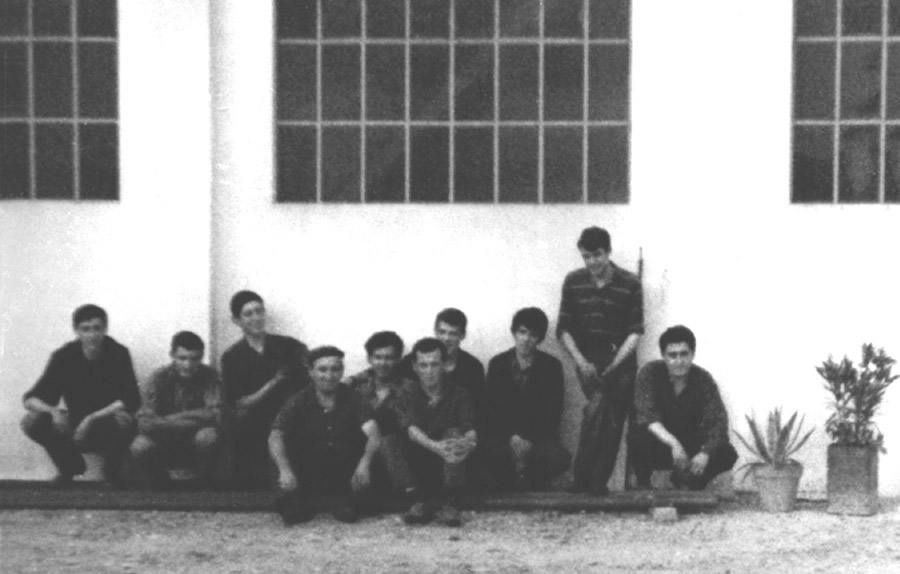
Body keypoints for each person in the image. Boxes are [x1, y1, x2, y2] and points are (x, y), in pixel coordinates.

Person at [557, 226, 643, 495]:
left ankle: (591, 481)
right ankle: (587, 478)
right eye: (586, 256)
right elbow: (563, 329)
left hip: (622, 360)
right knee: (598, 409)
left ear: (608, 252)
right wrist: (582, 362)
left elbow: (635, 332)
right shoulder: (573, 281)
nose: (592, 261)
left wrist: (615, 365)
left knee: (611, 417)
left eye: (597, 255)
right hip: (588, 360)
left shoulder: (630, 282)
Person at [20, 304, 140, 485]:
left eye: (97, 328)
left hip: (106, 421)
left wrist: (91, 419)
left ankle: (113, 470)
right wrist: (54, 412)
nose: (92, 335)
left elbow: (131, 398)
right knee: (31, 421)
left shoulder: (118, 353)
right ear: (76, 331)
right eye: (85, 329)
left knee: (125, 420)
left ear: (105, 329)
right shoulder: (64, 356)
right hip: (74, 422)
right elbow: (31, 398)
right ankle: (69, 466)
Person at [269, 346, 381, 525]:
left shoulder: (354, 398)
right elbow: (276, 435)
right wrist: (285, 470)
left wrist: (364, 463)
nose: (329, 376)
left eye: (335, 369)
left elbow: (373, 433)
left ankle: (349, 505)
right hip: (310, 464)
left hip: (342, 463)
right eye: (322, 369)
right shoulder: (298, 400)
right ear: (311, 372)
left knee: (370, 469)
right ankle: (296, 506)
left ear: (342, 371)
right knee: (282, 468)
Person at [630, 325, 738, 490]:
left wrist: (705, 453)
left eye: (684, 354)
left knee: (727, 452)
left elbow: (718, 423)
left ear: (693, 354)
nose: (679, 361)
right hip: (662, 443)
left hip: (689, 444)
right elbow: (648, 416)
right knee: (638, 437)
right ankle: (644, 485)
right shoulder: (649, 373)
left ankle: (691, 483)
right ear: (663, 356)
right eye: (672, 355)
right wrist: (674, 445)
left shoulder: (703, 379)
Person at [221, 290, 310, 489]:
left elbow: (308, 381)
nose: (256, 318)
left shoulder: (289, 346)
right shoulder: (233, 356)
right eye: (248, 314)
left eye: (259, 311)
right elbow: (239, 402)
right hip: (256, 419)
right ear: (236, 320)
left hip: (290, 414)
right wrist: (273, 383)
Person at [481, 308, 571, 490]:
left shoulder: (552, 367)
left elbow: (553, 413)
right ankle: (514, 481)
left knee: (559, 457)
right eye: (522, 332)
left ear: (540, 338)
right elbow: (491, 410)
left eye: (532, 334)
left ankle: (526, 481)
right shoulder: (498, 364)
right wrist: (512, 438)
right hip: (504, 438)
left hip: (537, 440)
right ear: (514, 332)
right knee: (485, 453)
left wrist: (529, 441)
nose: (526, 339)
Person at [130, 331, 225, 488]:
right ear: (172, 355)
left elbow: (215, 415)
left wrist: (166, 420)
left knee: (209, 436)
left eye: (194, 359)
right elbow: (145, 423)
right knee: (140, 446)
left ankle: (203, 487)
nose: (188, 365)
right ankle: (160, 484)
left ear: (201, 357)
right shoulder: (158, 377)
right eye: (182, 358)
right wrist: (195, 417)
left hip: (194, 439)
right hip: (164, 439)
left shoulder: (210, 376)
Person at [402, 338, 477, 527]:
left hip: (449, 462)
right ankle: (418, 502)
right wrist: (436, 447)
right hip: (420, 459)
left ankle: (450, 502)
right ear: (415, 367)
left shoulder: (459, 393)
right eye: (423, 365)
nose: (429, 371)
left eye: (434, 364)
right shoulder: (408, 392)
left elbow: (469, 428)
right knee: (390, 441)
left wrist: (468, 443)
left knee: (454, 433)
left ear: (445, 365)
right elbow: (411, 429)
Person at [344, 331, 416, 495]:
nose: (383, 363)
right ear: (369, 358)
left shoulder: (408, 387)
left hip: (395, 444)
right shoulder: (357, 385)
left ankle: (409, 494)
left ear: (398, 359)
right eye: (378, 357)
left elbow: (407, 424)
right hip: (362, 443)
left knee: (388, 438)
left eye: (389, 358)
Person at [400, 308, 486, 431]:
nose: (446, 338)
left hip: (457, 431)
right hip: (417, 429)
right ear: (435, 331)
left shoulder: (472, 367)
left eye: (453, 333)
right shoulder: (411, 362)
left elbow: (477, 409)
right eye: (442, 332)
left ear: (462, 335)